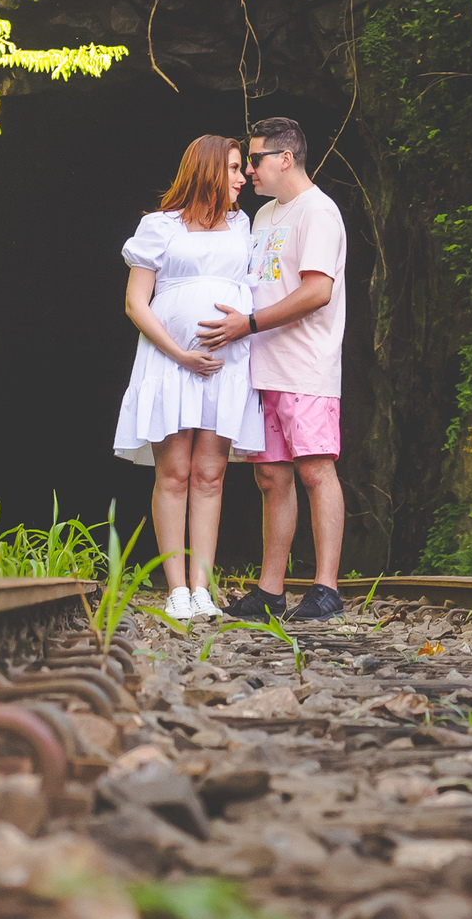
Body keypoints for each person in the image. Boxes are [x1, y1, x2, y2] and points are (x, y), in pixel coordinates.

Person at [195, 115, 347, 622]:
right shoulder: (264, 218)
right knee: (270, 479)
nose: (249, 172)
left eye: (255, 160)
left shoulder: (317, 212)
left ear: (286, 158)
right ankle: (271, 590)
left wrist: (249, 323)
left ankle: (326, 588)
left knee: (315, 469)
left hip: (306, 366)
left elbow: (317, 290)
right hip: (262, 368)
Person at [114, 134, 264, 620]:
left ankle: (202, 586)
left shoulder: (244, 226)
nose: (244, 177)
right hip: (170, 363)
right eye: (236, 168)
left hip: (225, 366)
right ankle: (176, 587)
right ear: (207, 171)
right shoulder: (160, 226)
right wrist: (181, 353)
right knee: (174, 473)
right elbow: (136, 302)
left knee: (210, 474)